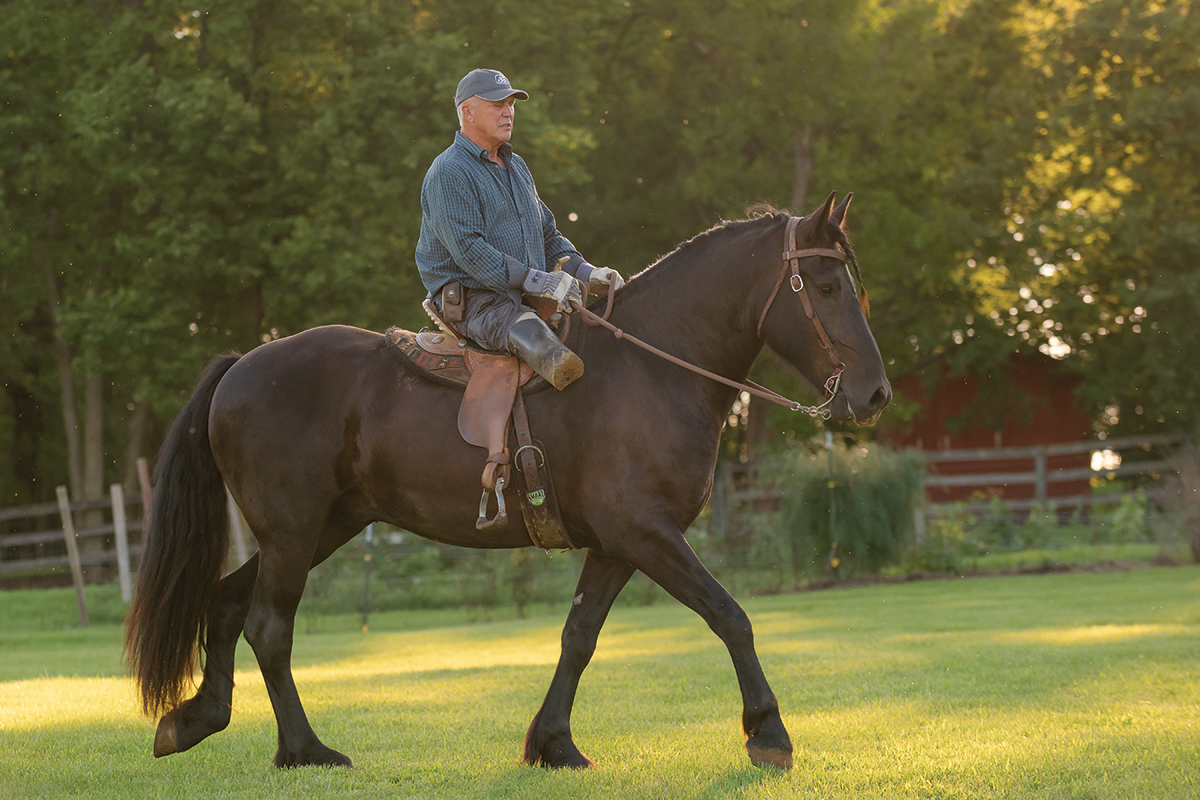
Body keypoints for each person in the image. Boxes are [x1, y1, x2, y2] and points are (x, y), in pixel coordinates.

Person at [415, 68, 622, 390]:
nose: (508, 112)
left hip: (526, 295)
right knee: (551, 354)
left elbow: (548, 235)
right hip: (477, 302)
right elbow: (470, 251)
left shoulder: (516, 166)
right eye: (497, 105)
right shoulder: (449, 171)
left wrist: (586, 271)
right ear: (467, 112)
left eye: (511, 104)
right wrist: (540, 280)